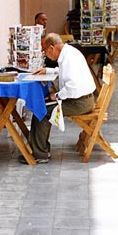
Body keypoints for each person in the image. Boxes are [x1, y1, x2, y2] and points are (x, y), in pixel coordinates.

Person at [24, 34, 96, 164]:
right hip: (84, 99)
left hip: (80, 102)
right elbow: (65, 72)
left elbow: (72, 86)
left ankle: (40, 154)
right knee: (42, 107)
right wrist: (48, 70)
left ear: (52, 48)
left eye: (45, 51)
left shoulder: (69, 58)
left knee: (42, 111)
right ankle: (40, 149)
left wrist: (56, 96)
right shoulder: (69, 53)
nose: (45, 55)